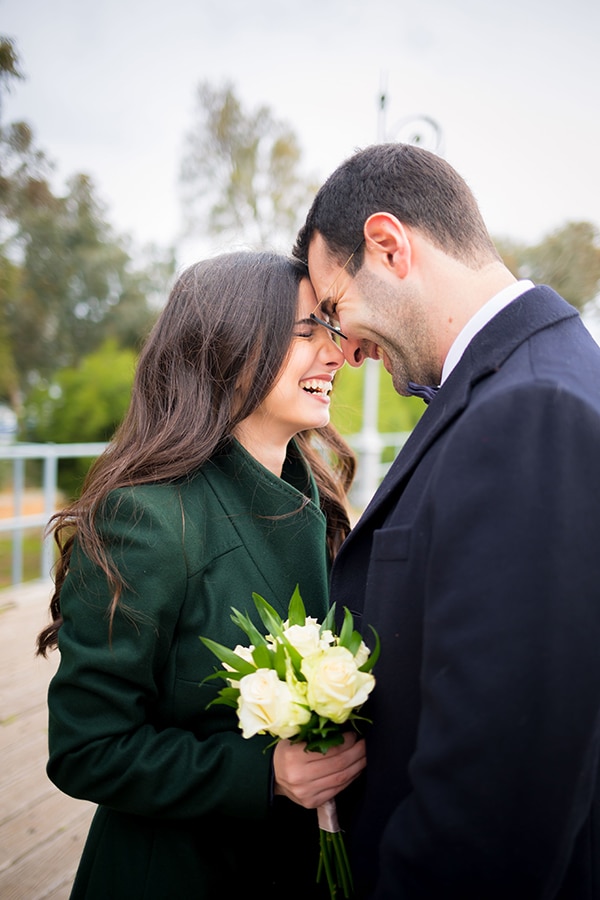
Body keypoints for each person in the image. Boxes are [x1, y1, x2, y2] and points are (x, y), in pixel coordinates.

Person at [293, 142, 600, 899]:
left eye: (335, 310)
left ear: (389, 246)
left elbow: (495, 797)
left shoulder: (531, 411)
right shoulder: (516, 385)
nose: (349, 350)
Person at [36, 250, 367, 899]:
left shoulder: (323, 509)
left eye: (330, 329)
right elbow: (86, 749)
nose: (333, 352)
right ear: (229, 347)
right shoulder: (147, 520)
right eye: (306, 331)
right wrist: (264, 774)